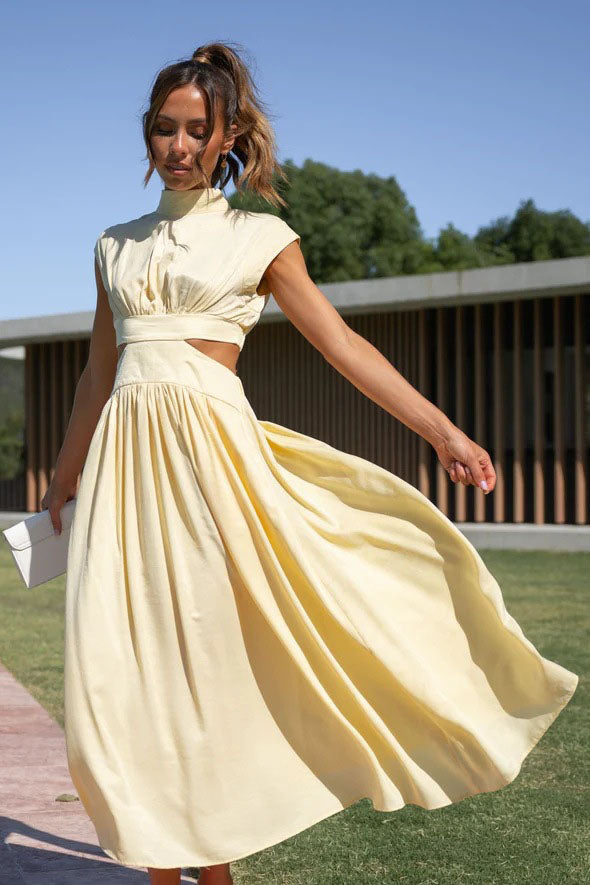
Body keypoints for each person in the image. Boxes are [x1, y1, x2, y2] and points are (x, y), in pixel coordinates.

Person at [41, 41, 578, 885]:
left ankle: (206, 866)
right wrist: (65, 474)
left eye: (194, 130)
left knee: (204, 674)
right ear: (147, 135)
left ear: (226, 139)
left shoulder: (260, 236)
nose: (177, 146)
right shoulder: (114, 245)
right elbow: (95, 377)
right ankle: (167, 864)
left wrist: (442, 430)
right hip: (124, 475)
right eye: (161, 129)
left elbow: (342, 346)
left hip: (217, 475)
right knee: (125, 675)